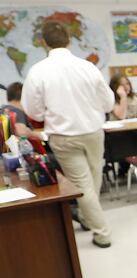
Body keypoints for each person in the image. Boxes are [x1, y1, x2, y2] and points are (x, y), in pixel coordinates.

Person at [21, 21, 114, 248]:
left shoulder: (38, 71)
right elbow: (108, 102)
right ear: (69, 40)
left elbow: (32, 110)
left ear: (44, 42)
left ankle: (101, 232)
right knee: (92, 182)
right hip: (93, 132)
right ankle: (94, 222)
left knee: (84, 186)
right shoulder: (88, 67)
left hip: (63, 137)